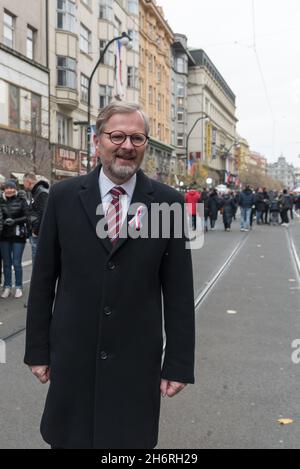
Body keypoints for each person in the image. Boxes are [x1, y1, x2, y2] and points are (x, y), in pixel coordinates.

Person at [24, 102, 195, 450]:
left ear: (145, 144)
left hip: (136, 360)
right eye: (117, 136)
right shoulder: (63, 197)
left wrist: (178, 363)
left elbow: (178, 292)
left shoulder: (167, 204)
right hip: (73, 355)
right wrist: (37, 350)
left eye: (137, 138)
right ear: (98, 140)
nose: (127, 146)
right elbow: (43, 281)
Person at [0, 180, 30, 299]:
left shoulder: (21, 200)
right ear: (4, 189)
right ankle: (7, 286)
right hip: (3, 236)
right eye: (7, 188)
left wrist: (15, 221)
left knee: (17, 262)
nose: (9, 190)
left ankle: (18, 287)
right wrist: (4, 222)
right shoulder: (1, 200)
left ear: (15, 189)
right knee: (6, 263)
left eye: (11, 188)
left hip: (18, 235)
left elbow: (27, 216)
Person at [23, 173, 49, 263]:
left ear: (28, 181)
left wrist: (36, 230)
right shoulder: (35, 192)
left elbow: (43, 213)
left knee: (38, 261)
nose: (23, 184)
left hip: (38, 233)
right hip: (35, 231)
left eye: (24, 182)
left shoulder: (41, 192)